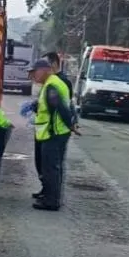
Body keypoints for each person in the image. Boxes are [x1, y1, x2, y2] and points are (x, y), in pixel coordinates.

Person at [30, 58, 78, 211]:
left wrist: (71, 125)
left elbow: (61, 108)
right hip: (56, 132)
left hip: (53, 133)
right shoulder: (52, 83)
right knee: (53, 167)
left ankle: (51, 201)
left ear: (45, 70)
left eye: (35, 72)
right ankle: (51, 197)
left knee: (51, 168)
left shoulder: (51, 86)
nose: (33, 76)